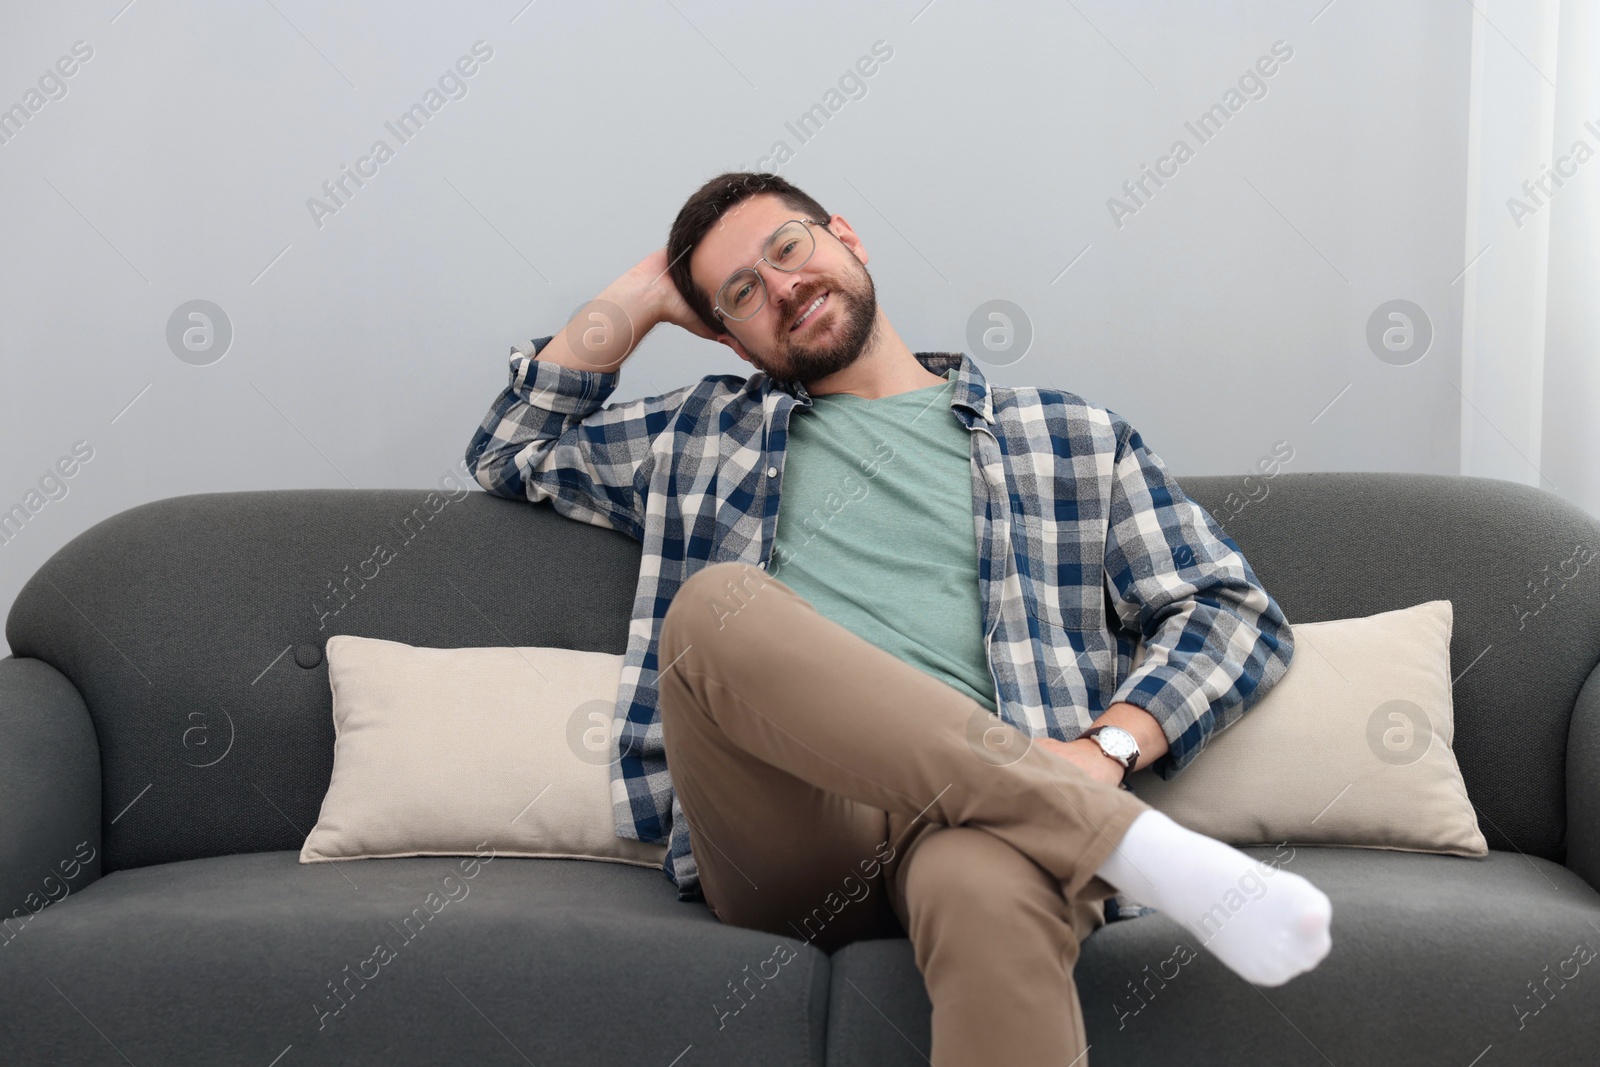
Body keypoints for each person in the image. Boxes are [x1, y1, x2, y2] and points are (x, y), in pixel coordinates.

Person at [465, 171, 1333, 1065]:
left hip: (980, 824)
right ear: (730, 337)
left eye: (789, 248)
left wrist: (1104, 750)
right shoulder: (697, 434)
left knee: (996, 891)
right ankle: (1117, 839)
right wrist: (644, 293)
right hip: (786, 830)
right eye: (741, 293)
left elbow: (1231, 607)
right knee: (713, 606)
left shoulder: (1069, 438)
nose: (782, 286)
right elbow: (508, 449)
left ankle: (1071, 814)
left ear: (845, 235)